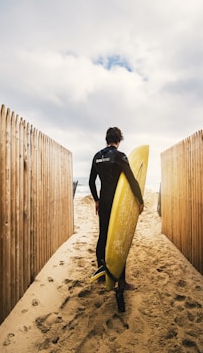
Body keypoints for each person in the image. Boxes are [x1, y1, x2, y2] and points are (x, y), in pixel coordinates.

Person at [89, 127, 144, 312]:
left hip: (104, 202)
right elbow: (132, 179)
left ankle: (102, 273)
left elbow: (91, 181)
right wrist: (140, 200)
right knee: (119, 240)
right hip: (117, 205)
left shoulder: (97, 156)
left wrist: (96, 200)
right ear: (119, 139)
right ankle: (121, 283)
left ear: (107, 139)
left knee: (103, 236)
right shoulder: (120, 156)